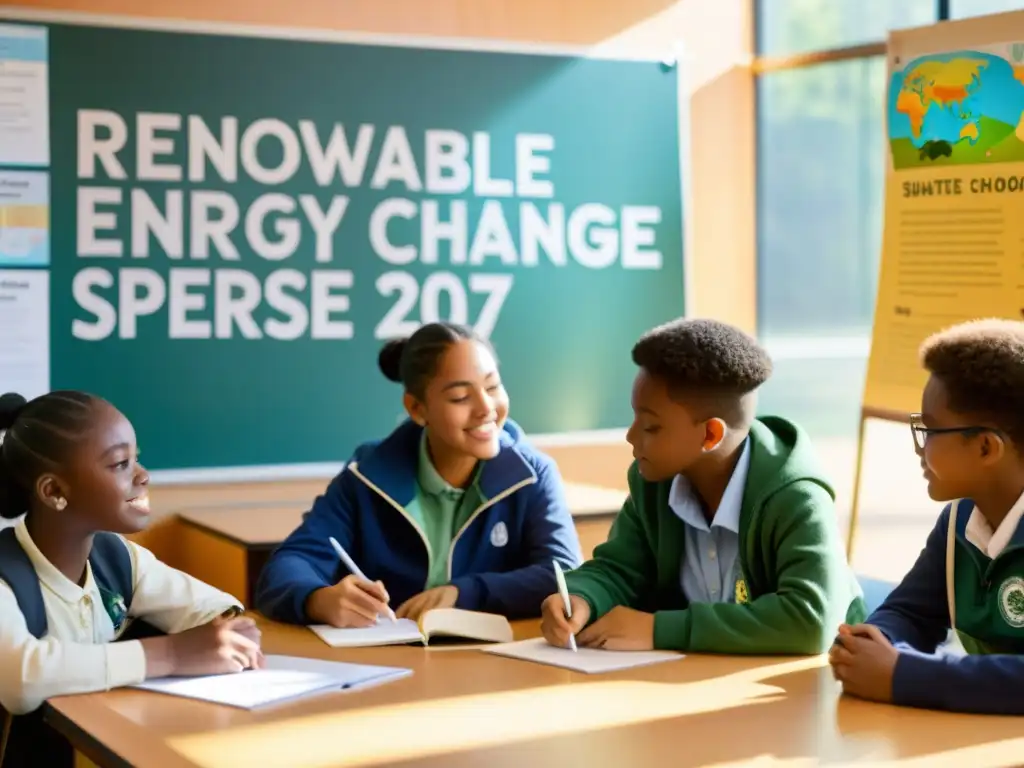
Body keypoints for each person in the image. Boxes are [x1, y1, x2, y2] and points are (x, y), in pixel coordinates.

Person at [540, 318, 865, 653]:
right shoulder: (652, 482)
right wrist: (582, 598)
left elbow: (811, 621)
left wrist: (658, 629)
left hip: (808, 687)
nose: (631, 436)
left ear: (710, 435)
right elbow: (620, 570)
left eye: (651, 427)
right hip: (699, 677)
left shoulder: (797, 497)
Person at [255, 322, 582, 627]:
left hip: (492, 666)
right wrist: (317, 599)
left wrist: (464, 594)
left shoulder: (532, 473)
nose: (486, 408)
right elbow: (290, 564)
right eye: (460, 397)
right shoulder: (367, 475)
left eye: (493, 386)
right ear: (417, 409)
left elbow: (563, 573)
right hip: (387, 664)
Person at [0, 390, 264, 768]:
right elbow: (21, 679)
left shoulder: (118, 557)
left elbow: (211, 606)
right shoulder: (5, 576)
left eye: (136, 459)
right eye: (120, 464)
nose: (143, 476)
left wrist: (228, 632)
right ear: (54, 491)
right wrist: (172, 654)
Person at [829, 319, 1024, 714]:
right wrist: (869, 645)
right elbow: (910, 611)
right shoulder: (958, 521)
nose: (920, 447)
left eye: (930, 429)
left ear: (986, 448)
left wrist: (904, 675)